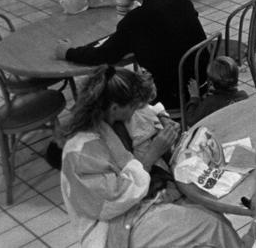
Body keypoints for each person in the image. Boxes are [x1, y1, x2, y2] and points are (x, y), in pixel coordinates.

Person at [60, 67, 243, 248]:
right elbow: (111, 201)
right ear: (115, 107)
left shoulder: (107, 119)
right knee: (212, 227)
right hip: (113, 225)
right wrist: (151, 155)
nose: (136, 111)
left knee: (214, 216)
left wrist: (163, 119)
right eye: (133, 107)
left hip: (142, 202)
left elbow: (149, 109)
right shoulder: (80, 153)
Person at [56, 0, 207, 110]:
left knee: (112, 91)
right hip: (201, 79)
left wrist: (68, 52)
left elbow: (103, 55)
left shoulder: (135, 20)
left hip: (172, 95)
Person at [184, 56, 249, 127]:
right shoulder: (244, 96)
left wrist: (194, 97)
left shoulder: (210, 103)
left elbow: (191, 120)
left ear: (212, 82)